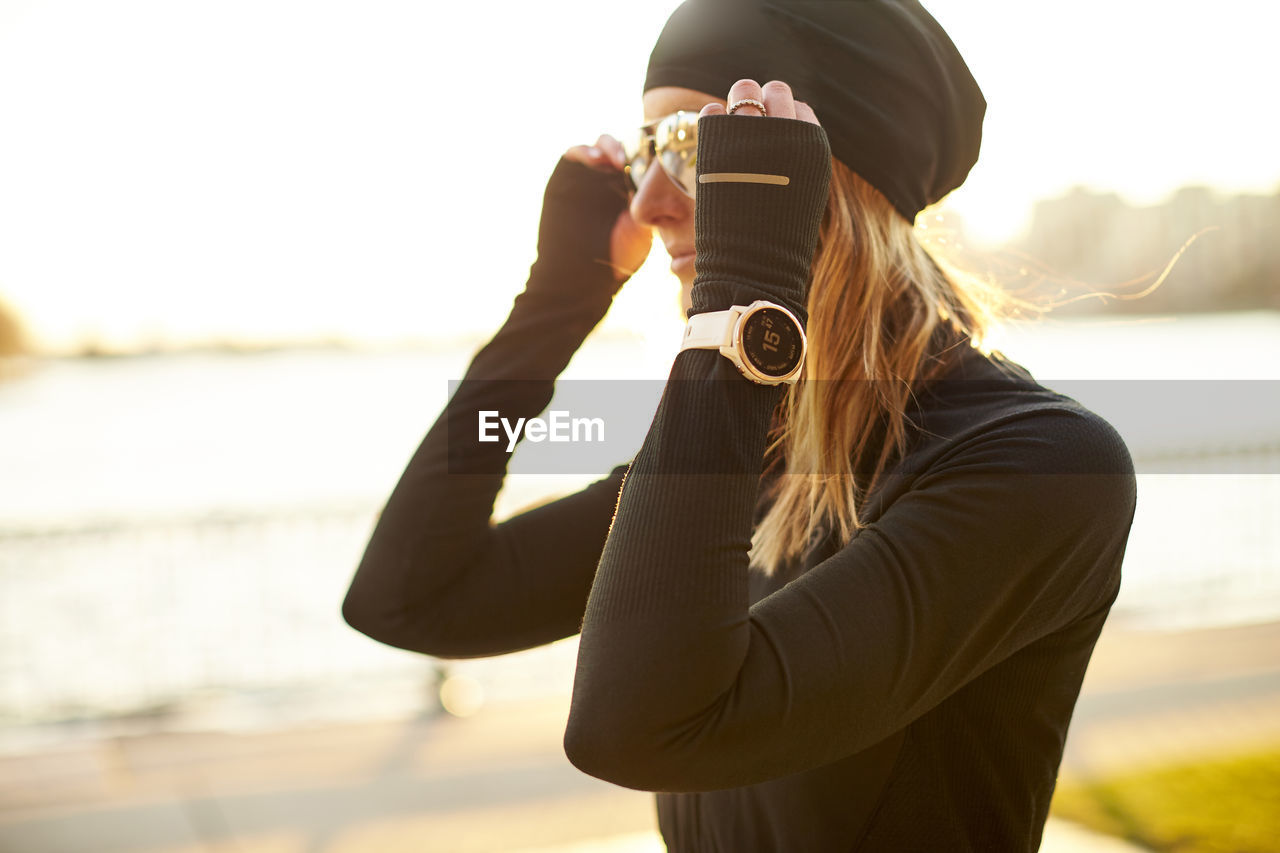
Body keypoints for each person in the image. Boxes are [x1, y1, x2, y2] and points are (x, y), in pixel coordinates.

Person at [342, 1, 1138, 850]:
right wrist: (551, 309)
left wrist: (740, 317)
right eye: (647, 152)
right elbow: (410, 596)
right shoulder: (751, 452)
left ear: (825, 174)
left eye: (692, 146)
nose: (648, 202)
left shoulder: (1039, 464)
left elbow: (635, 725)